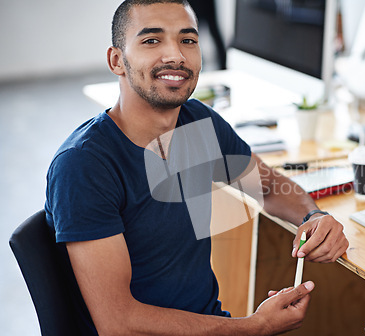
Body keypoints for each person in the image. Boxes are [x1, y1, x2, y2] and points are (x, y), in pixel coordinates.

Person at [44, 0, 349, 335]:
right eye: (151, 41)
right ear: (117, 60)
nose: (175, 55)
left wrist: (312, 217)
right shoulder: (83, 166)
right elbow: (119, 324)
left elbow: (268, 187)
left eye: (188, 40)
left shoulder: (198, 122)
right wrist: (254, 327)